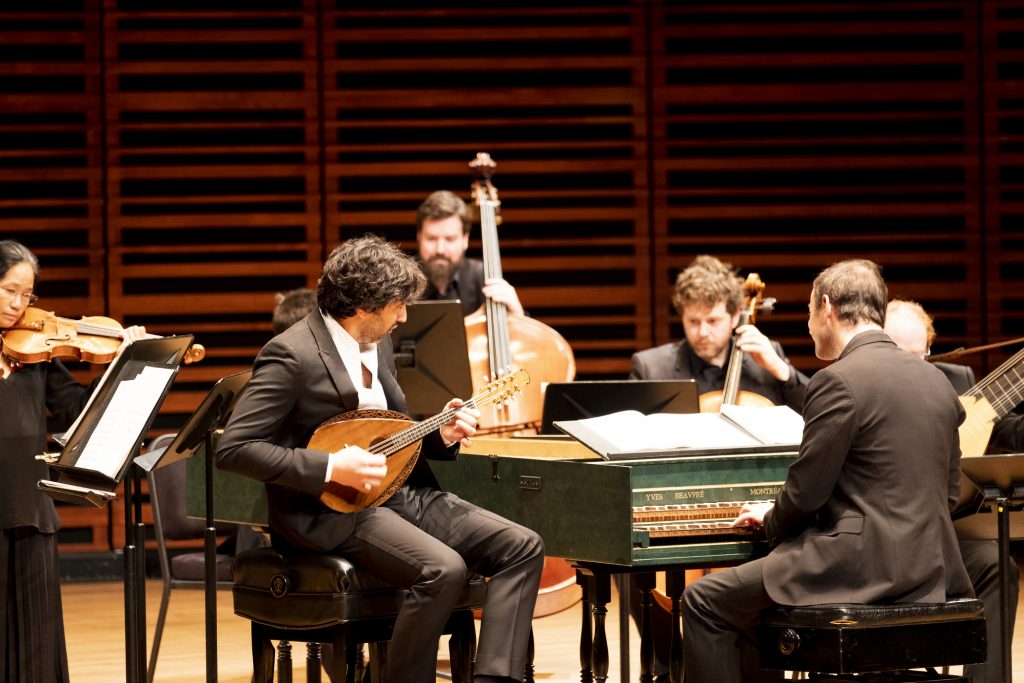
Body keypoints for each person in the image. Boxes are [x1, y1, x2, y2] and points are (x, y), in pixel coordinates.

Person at [216, 234, 544, 683]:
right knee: (442, 570)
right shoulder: (292, 355)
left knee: (522, 546)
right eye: (397, 305)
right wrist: (330, 468)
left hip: (400, 491)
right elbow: (235, 448)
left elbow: (386, 432)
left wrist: (440, 434)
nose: (404, 316)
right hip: (332, 510)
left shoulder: (379, 341)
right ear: (362, 306)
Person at [682, 259, 973, 683]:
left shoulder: (837, 380)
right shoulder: (938, 383)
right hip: (932, 570)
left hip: (858, 569)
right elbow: (948, 495)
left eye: (808, 313)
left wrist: (771, 519)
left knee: (703, 601)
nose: (809, 325)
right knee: (746, 606)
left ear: (826, 307)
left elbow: (806, 494)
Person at [0, 240, 146, 683]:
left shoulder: (34, 354)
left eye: (27, 295)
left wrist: (122, 365)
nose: (18, 304)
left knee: (35, 642)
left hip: (30, 508)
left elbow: (79, 413)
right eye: (9, 290)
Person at [885, 298, 1021, 683]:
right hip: (881, 540)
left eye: (921, 355)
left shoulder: (957, 380)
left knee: (996, 562)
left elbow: (1011, 432)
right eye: (901, 354)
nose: (915, 366)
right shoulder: (858, 382)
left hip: (939, 538)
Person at [630, 254, 809, 411]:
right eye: (693, 321)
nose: (702, 332)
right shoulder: (651, 369)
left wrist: (783, 371)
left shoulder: (768, 357)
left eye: (713, 321)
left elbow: (816, 415)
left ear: (735, 316)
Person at [415, 190, 523, 316]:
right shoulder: (403, 279)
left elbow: (520, 327)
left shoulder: (483, 276)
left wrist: (518, 313)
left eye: (450, 239)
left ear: (465, 239)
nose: (440, 249)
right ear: (419, 237)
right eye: (431, 239)